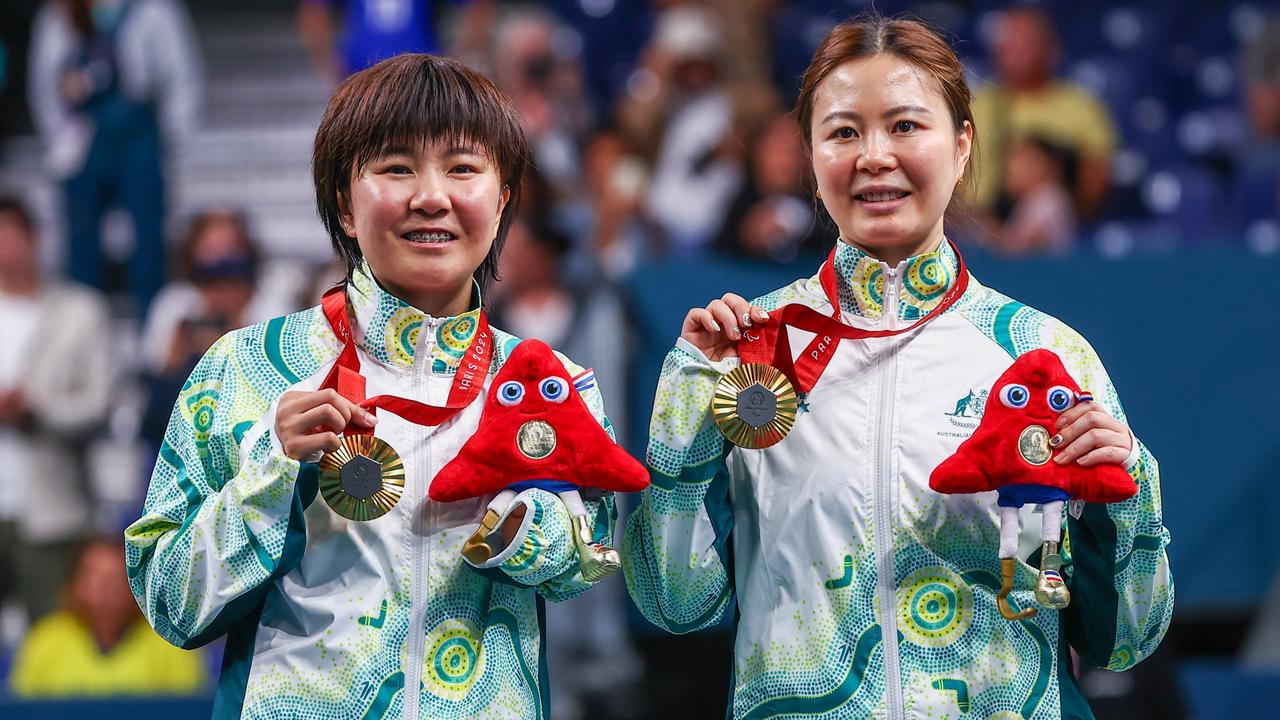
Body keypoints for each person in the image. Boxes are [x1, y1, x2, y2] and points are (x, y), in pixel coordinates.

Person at [623, 16, 1172, 719]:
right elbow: (676, 606)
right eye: (844, 132)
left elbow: (1124, 640)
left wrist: (1127, 495)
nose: (874, 156)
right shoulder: (748, 354)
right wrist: (685, 418)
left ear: (963, 144)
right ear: (810, 155)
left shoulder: (1046, 356)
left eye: (907, 126)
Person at [125, 54, 621, 718]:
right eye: (395, 168)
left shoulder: (547, 385)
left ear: (502, 202)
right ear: (346, 207)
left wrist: (520, 528)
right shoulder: (242, 369)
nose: (431, 195)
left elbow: (589, 563)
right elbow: (168, 601)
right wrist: (273, 474)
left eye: (463, 168)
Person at [28, 0, 201, 311]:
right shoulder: (58, 13)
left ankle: (151, 330)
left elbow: (181, 75)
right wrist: (60, 138)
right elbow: (43, 83)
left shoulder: (153, 9)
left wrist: (172, 138)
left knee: (148, 241)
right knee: (81, 245)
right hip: (84, 140)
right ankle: (83, 326)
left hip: (139, 137)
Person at [0, 196, 113, 626]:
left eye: (12, 236)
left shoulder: (80, 311)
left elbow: (99, 404)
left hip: (53, 509)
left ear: (35, 239)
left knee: (54, 637)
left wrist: (36, 410)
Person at [8, 537, 206, 697]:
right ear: (74, 584)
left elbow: (187, 708)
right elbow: (23, 709)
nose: (106, 589)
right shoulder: (45, 639)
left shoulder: (169, 640)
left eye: (116, 578)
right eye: (95, 578)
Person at [970, 6, 1117, 220]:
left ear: (1051, 49)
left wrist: (1051, 176)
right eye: (1007, 41)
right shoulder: (974, 105)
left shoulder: (1080, 106)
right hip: (972, 227)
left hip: (1051, 226)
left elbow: (1096, 180)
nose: (1012, 49)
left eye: (1024, 41)